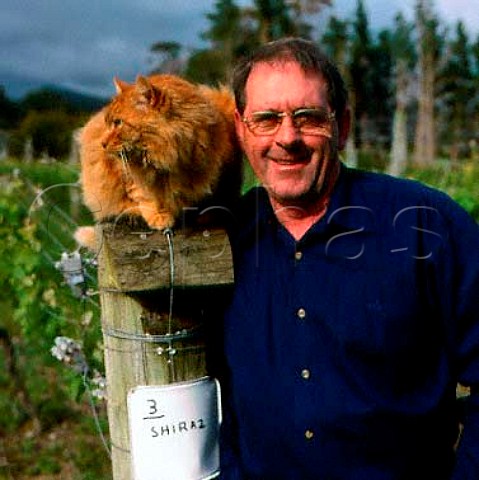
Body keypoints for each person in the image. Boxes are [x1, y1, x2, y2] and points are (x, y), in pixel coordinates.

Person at [217, 37, 479, 479]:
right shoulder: (222, 238)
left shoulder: (425, 227)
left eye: (308, 118)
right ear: (242, 131)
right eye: (266, 119)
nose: (287, 138)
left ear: (343, 126)